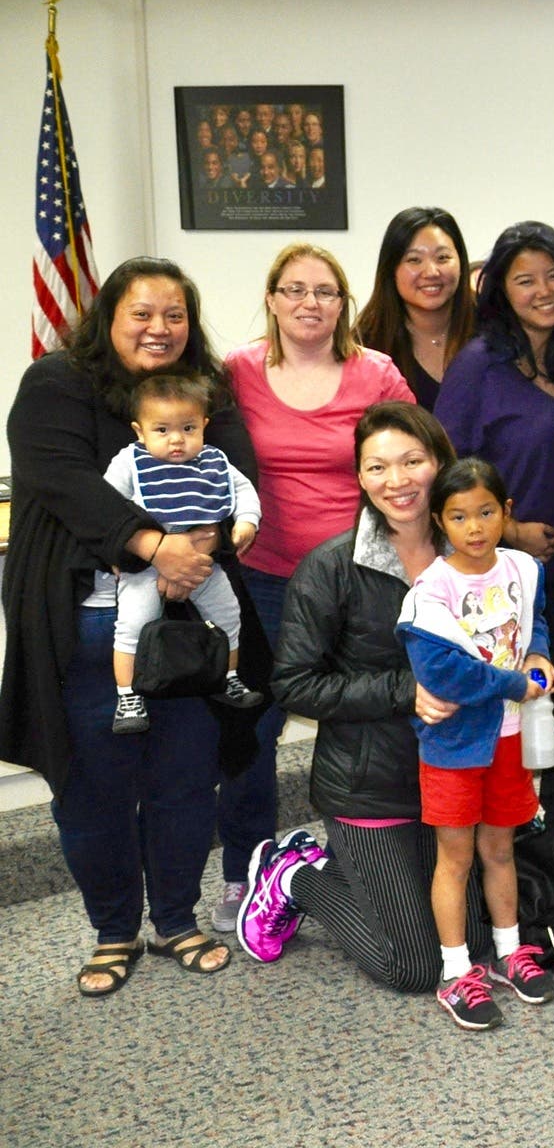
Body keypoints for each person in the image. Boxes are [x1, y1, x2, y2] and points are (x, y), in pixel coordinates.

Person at [3, 257, 256, 994]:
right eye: (142, 313)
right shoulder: (55, 384)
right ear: (108, 317)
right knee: (92, 793)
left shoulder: (205, 390)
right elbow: (61, 483)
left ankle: (176, 918)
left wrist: (196, 546)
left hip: (186, 628)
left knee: (184, 784)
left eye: (174, 314)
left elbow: (238, 476)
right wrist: (157, 545)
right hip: (83, 632)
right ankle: (114, 931)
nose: (160, 328)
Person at [242, 403, 493, 990]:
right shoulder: (330, 567)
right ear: (358, 477)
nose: (397, 481)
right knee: (413, 967)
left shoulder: (476, 554)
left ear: (440, 463)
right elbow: (295, 683)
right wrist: (409, 690)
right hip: (368, 787)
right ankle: (295, 876)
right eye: (377, 467)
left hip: (451, 777)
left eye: (412, 462)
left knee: (475, 944)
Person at [218, 241, 414, 930]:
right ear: (271, 298)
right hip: (265, 581)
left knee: (362, 725)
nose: (310, 303)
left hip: (361, 581)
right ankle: (247, 874)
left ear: (344, 303)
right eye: (295, 289)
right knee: (253, 730)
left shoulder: (376, 372)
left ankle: (354, 867)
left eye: (325, 291)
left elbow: (417, 459)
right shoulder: (237, 370)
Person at [397, 458, 554, 1031]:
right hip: (455, 748)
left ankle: (510, 951)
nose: (475, 527)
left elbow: (533, 620)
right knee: (456, 858)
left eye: (487, 512)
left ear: (506, 512)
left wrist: (538, 654)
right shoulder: (431, 590)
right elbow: (443, 674)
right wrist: (516, 683)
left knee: (500, 850)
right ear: (441, 522)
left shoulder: (521, 567)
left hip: (512, 741)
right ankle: (454, 970)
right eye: (460, 517)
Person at [103, 372, 266, 733]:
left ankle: (229, 677)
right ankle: (127, 697)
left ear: (204, 426)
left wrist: (247, 522)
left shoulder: (215, 460)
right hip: (144, 566)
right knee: (132, 624)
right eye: (162, 430)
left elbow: (244, 491)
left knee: (229, 614)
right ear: (139, 430)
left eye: (189, 428)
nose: (177, 439)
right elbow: (107, 508)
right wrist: (117, 552)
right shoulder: (130, 462)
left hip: (203, 562)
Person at [435, 220, 554, 568]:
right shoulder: (476, 367)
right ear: (502, 291)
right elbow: (445, 469)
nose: (544, 290)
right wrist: (511, 528)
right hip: (500, 563)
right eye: (525, 281)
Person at [355, 206, 476, 409]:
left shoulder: (494, 328)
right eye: (414, 260)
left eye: (443, 258)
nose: (431, 271)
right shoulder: (365, 344)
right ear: (391, 269)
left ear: (461, 262)